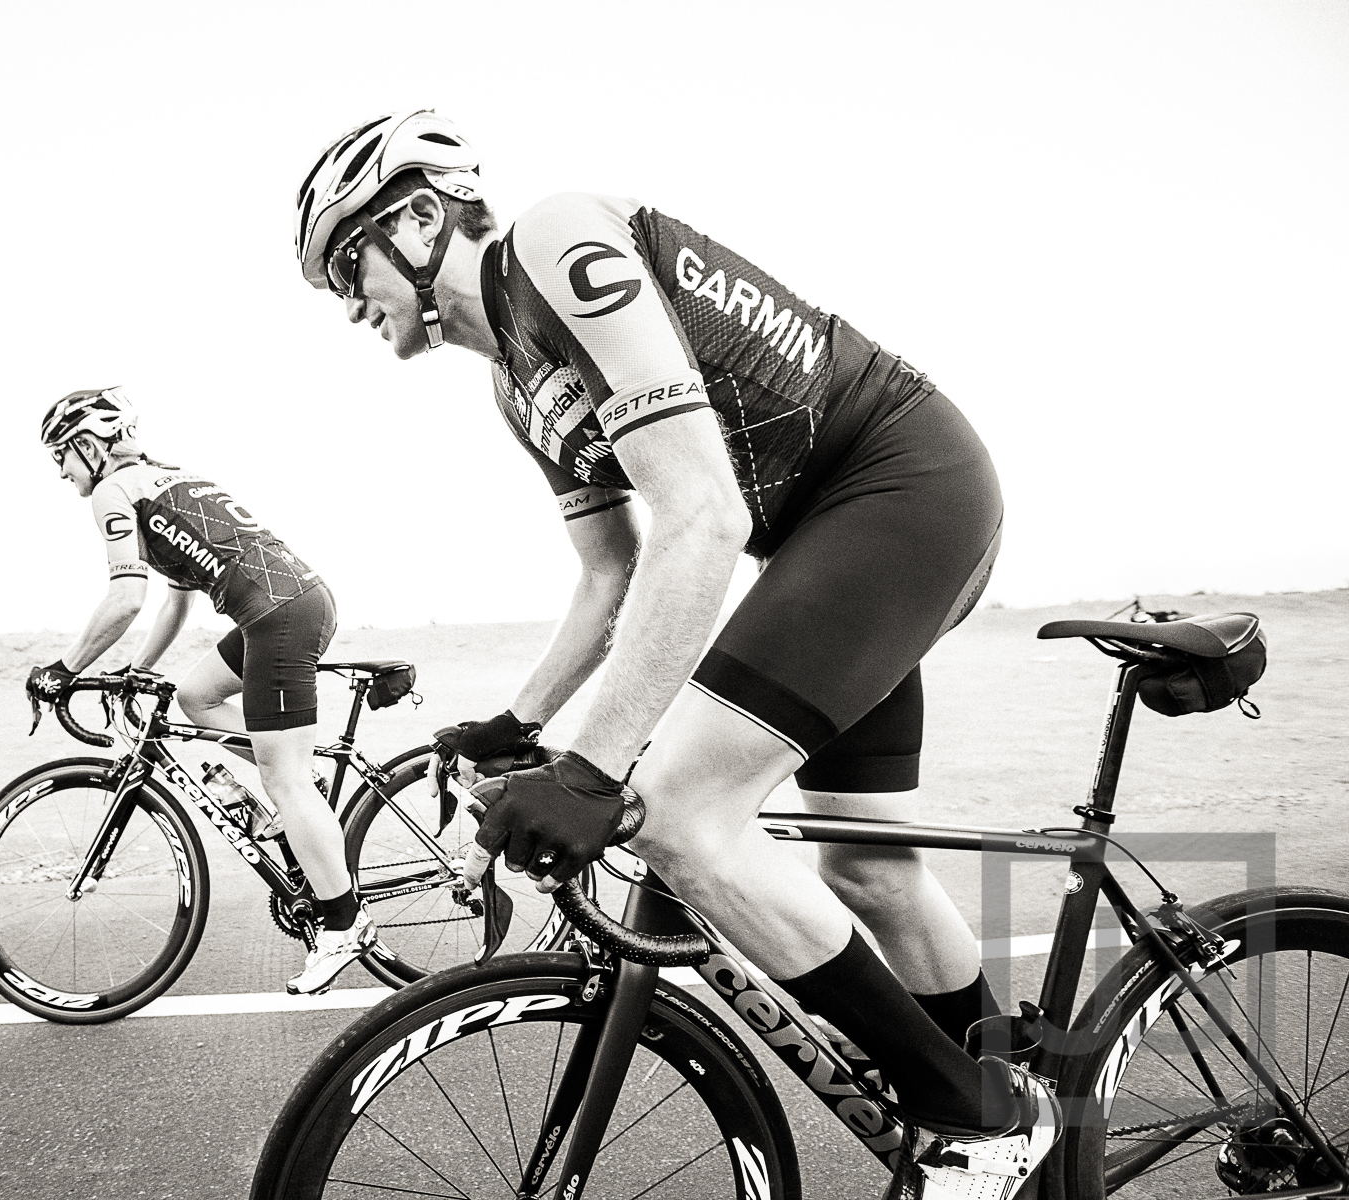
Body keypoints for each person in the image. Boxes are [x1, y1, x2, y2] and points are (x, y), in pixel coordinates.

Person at [293, 111, 1057, 1197]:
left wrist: (592, 774)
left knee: (683, 816)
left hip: (896, 490)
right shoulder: (516, 381)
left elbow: (700, 517)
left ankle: (976, 1119)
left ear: (419, 220)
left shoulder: (555, 245)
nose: (346, 299)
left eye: (345, 263)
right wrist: (524, 726)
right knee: (870, 868)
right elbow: (611, 573)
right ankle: (1030, 1103)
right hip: (831, 543)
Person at [24, 387, 375, 995]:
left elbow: (125, 595)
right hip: (291, 604)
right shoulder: (165, 478)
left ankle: (344, 923)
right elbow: (178, 593)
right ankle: (302, 791)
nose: (61, 471)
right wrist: (139, 667)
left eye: (62, 455)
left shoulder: (114, 489)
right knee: (196, 696)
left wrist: (64, 667)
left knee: (280, 777)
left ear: (88, 444)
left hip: (276, 616)